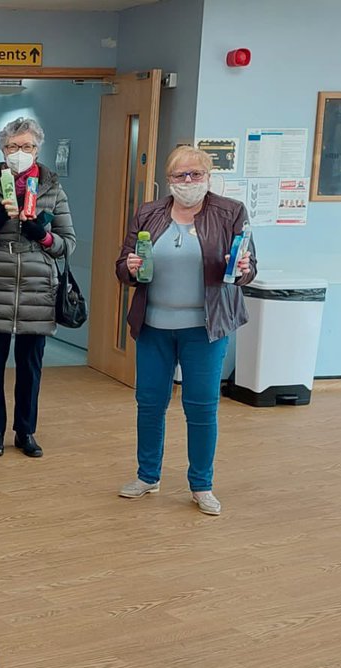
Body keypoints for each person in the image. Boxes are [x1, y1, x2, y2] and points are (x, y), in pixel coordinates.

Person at [115, 144, 256, 516]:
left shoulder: (230, 212)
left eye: (196, 174)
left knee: (201, 406)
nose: (188, 181)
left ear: (209, 177)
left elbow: (248, 268)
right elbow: (122, 267)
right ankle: (148, 476)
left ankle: (201, 485)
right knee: (149, 403)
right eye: (180, 175)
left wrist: (240, 267)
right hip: (154, 326)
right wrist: (129, 265)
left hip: (205, 328)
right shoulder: (149, 214)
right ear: (168, 180)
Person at [0, 116, 77, 459]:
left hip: (37, 287)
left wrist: (42, 235)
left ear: (38, 149)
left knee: (31, 365)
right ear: (2, 149)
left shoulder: (52, 188)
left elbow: (67, 244)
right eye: (12, 147)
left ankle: (26, 431)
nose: (19, 153)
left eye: (27, 146)